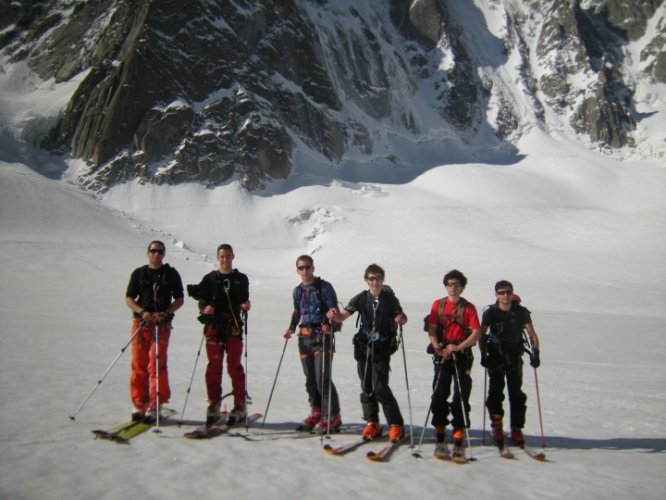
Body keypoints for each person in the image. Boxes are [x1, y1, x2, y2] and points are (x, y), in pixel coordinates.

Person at [328, 264, 408, 443]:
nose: (375, 281)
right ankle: (372, 421)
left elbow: (401, 316)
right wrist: (335, 316)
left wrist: (401, 319)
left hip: (382, 348)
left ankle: (396, 424)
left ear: (383, 279)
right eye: (371, 278)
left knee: (380, 386)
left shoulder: (390, 299)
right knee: (366, 386)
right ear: (366, 280)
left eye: (378, 278)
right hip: (363, 347)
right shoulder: (361, 298)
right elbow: (344, 315)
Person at [125, 240, 184, 422]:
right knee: (138, 363)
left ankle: (156, 403)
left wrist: (166, 313)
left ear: (164, 254)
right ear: (148, 253)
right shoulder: (139, 274)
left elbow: (179, 298)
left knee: (157, 363)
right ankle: (140, 403)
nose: (157, 254)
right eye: (153, 251)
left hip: (162, 324)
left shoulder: (171, 274)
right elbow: (129, 298)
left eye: (160, 251)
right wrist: (142, 312)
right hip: (142, 323)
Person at [192, 244, 251, 426]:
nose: (225, 259)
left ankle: (240, 406)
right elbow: (201, 302)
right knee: (214, 366)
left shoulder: (241, 279)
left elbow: (243, 300)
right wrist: (205, 308)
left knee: (234, 366)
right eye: (222, 256)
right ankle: (213, 405)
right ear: (218, 258)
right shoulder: (210, 279)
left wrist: (245, 306)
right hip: (214, 327)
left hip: (233, 326)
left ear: (233, 256)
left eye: (227, 256)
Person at [284, 255, 342, 433]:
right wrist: (291, 328)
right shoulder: (298, 290)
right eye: (301, 268)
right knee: (310, 379)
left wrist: (329, 321)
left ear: (313, 268)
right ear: (297, 270)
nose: (305, 271)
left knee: (321, 377)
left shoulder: (324, 287)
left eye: (307, 267)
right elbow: (297, 311)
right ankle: (317, 412)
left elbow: (333, 308)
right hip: (304, 338)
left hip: (321, 337)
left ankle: (332, 416)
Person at [479, 280, 540, 446]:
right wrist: (483, 354)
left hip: (514, 357)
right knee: (495, 392)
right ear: (496, 295)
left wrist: (536, 353)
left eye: (508, 292)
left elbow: (531, 334)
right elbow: (482, 334)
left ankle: (516, 428)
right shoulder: (490, 313)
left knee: (516, 394)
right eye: (501, 292)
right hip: (495, 358)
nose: (505, 295)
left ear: (512, 293)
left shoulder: (520, 312)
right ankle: (497, 426)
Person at [426, 269, 481, 452]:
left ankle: (459, 428)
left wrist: (459, 347)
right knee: (439, 391)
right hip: (442, 354)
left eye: (457, 284)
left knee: (461, 393)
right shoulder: (437, 305)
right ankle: (439, 426)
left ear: (462, 287)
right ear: (445, 286)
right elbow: (432, 328)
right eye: (450, 284)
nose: (453, 288)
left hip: (461, 355)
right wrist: (437, 347)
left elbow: (476, 332)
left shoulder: (469, 307)